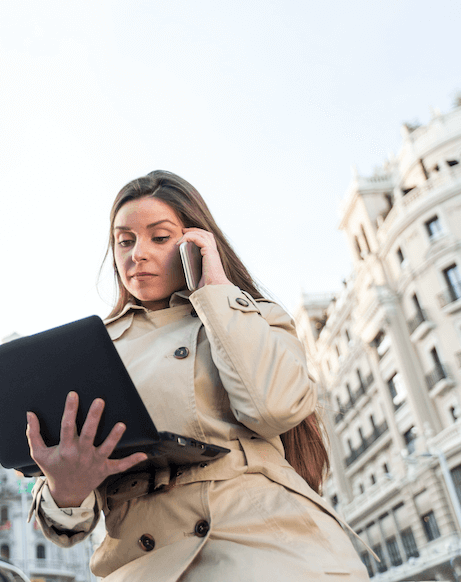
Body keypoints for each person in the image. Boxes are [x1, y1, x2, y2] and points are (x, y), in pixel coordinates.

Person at [25, 171, 369, 581]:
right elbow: (66, 529)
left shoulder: (253, 316)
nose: (137, 253)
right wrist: (67, 489)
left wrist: (218, 292)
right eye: (125, 240)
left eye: (159, 236)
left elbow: (274, 409)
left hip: (265, 546)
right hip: (140, 563)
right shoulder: (90, 352)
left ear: (196, 242)